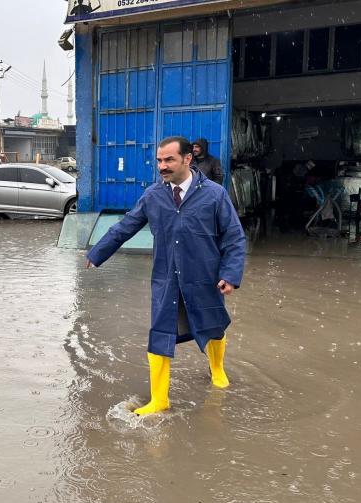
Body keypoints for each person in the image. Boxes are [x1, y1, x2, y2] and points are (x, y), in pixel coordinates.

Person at [86, 136, 246, 416]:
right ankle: (159, 399)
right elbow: (125, 226)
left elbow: (234, 236)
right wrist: (97, 253)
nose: (162, 166)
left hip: (204, 276)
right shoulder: (153, 196)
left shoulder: (214, 195)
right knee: (159, 333)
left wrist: (230, 274)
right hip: (166, 278)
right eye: (159, 160)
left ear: (187, 159)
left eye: (169, 159)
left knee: (213, 324)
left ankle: (217, 370)